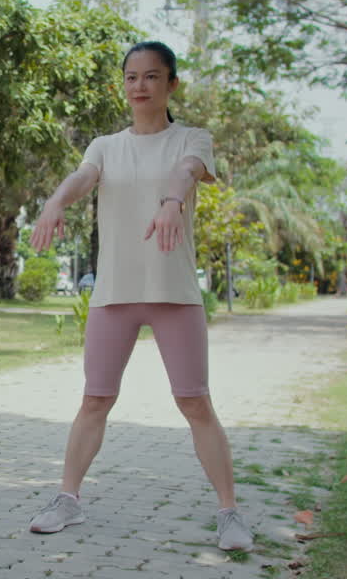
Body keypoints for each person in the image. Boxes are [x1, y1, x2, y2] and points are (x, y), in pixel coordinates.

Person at [26, 41, 252, 551]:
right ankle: (68, 499)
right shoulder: (106, 146)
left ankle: (229, 512)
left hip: (174, 293)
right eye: (131, 77)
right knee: (95, 399)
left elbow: (187, 171)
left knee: (195, 402)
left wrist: (172, 202)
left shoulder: (192, 138)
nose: (140, 86)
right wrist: (55, 201)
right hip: (114, 294)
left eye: (152, 77)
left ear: (171, 84)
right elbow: (84, 178)